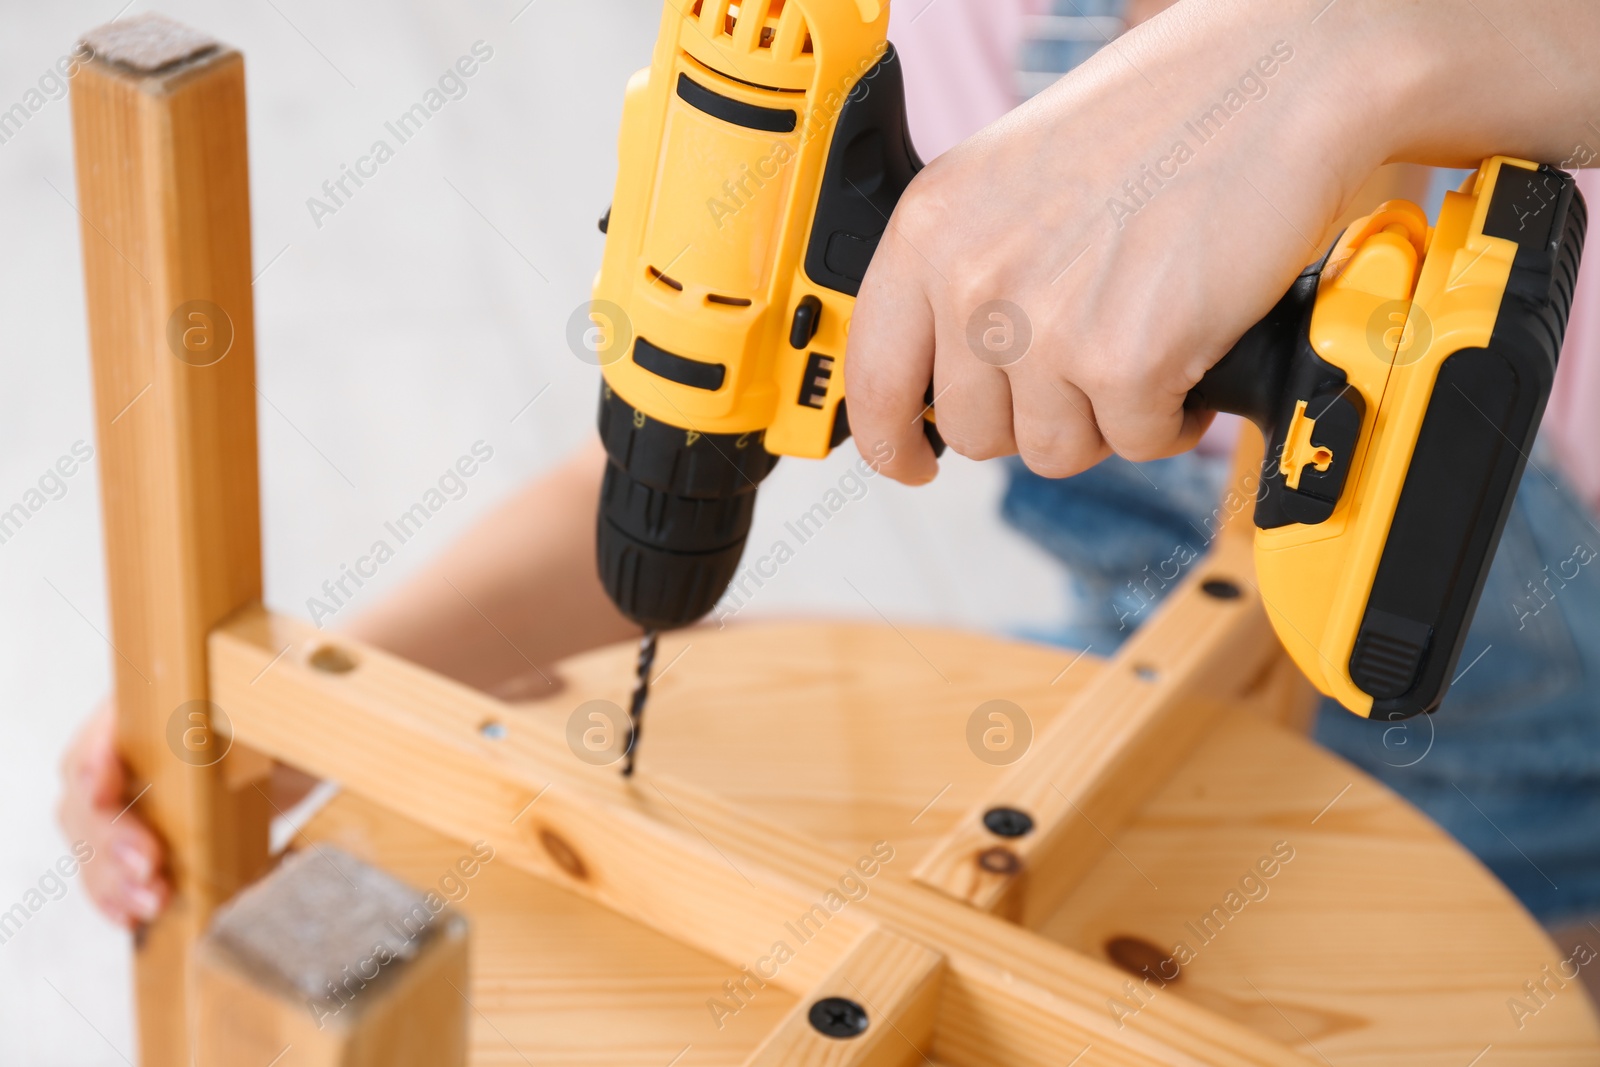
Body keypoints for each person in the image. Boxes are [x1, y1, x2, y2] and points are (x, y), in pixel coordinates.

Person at [61, 0, 1600, 944]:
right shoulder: (925, 41)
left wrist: (1333, 46)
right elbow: (681, 425)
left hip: (1521, 808)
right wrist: (303, 700)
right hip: (1154, 708)